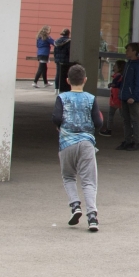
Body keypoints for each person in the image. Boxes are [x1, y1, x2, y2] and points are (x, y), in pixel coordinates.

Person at [53, 62, 102, 232]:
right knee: (88, 181)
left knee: (68, 176)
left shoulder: (62, 97)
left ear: (67, 80)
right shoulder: (91, 98)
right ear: (85, 80)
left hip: (66, 143)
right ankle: (92, 216)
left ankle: (75, 205)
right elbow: (98, 122)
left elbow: (56, 118)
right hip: (87, 143)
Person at [117, 41, 139, 149]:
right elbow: (125, 80)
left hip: (131, 97)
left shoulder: (137, 66)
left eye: (128, 50)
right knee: (126, 119)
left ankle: (136, 142)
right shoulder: (128, 63)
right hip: (125, 95)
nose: (126, 52)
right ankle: (127, 140)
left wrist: (134, 96)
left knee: (134, 119)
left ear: (134, 52)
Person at [52, 29, 73, 93]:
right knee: (65, 74)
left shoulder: (56, 42)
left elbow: (55, 52)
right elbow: (69, 51)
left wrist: (56, 59)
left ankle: (56, 88)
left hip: (58, 60)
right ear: (68, 34)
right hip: (66, 60)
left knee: (58, 74)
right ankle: (63, 89)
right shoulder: (69, 42)